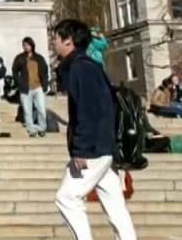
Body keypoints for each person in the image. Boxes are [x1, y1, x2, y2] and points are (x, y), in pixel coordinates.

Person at [51, 19, 137, 240]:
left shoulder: (81, 68)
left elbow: (88, 111)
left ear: (68, 40)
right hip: (103, 145)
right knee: (114, 204)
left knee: (67, 197)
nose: (53, 43)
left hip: (93, 148)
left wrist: (81, 147)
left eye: (56, 38)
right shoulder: (89, 66)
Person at [12, 36, 50, 136]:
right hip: (25, 88)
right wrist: (19, 82)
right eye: (24, 45)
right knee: (27, 111)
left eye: (27, 45)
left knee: (41, 109)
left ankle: (42, 128)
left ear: (32, 45)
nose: (26, 47)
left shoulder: (39, 58)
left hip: (38, 87)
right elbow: (14, 71)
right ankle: (31, 129)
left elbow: (45, 71)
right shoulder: (20, 58)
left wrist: (45, 84)